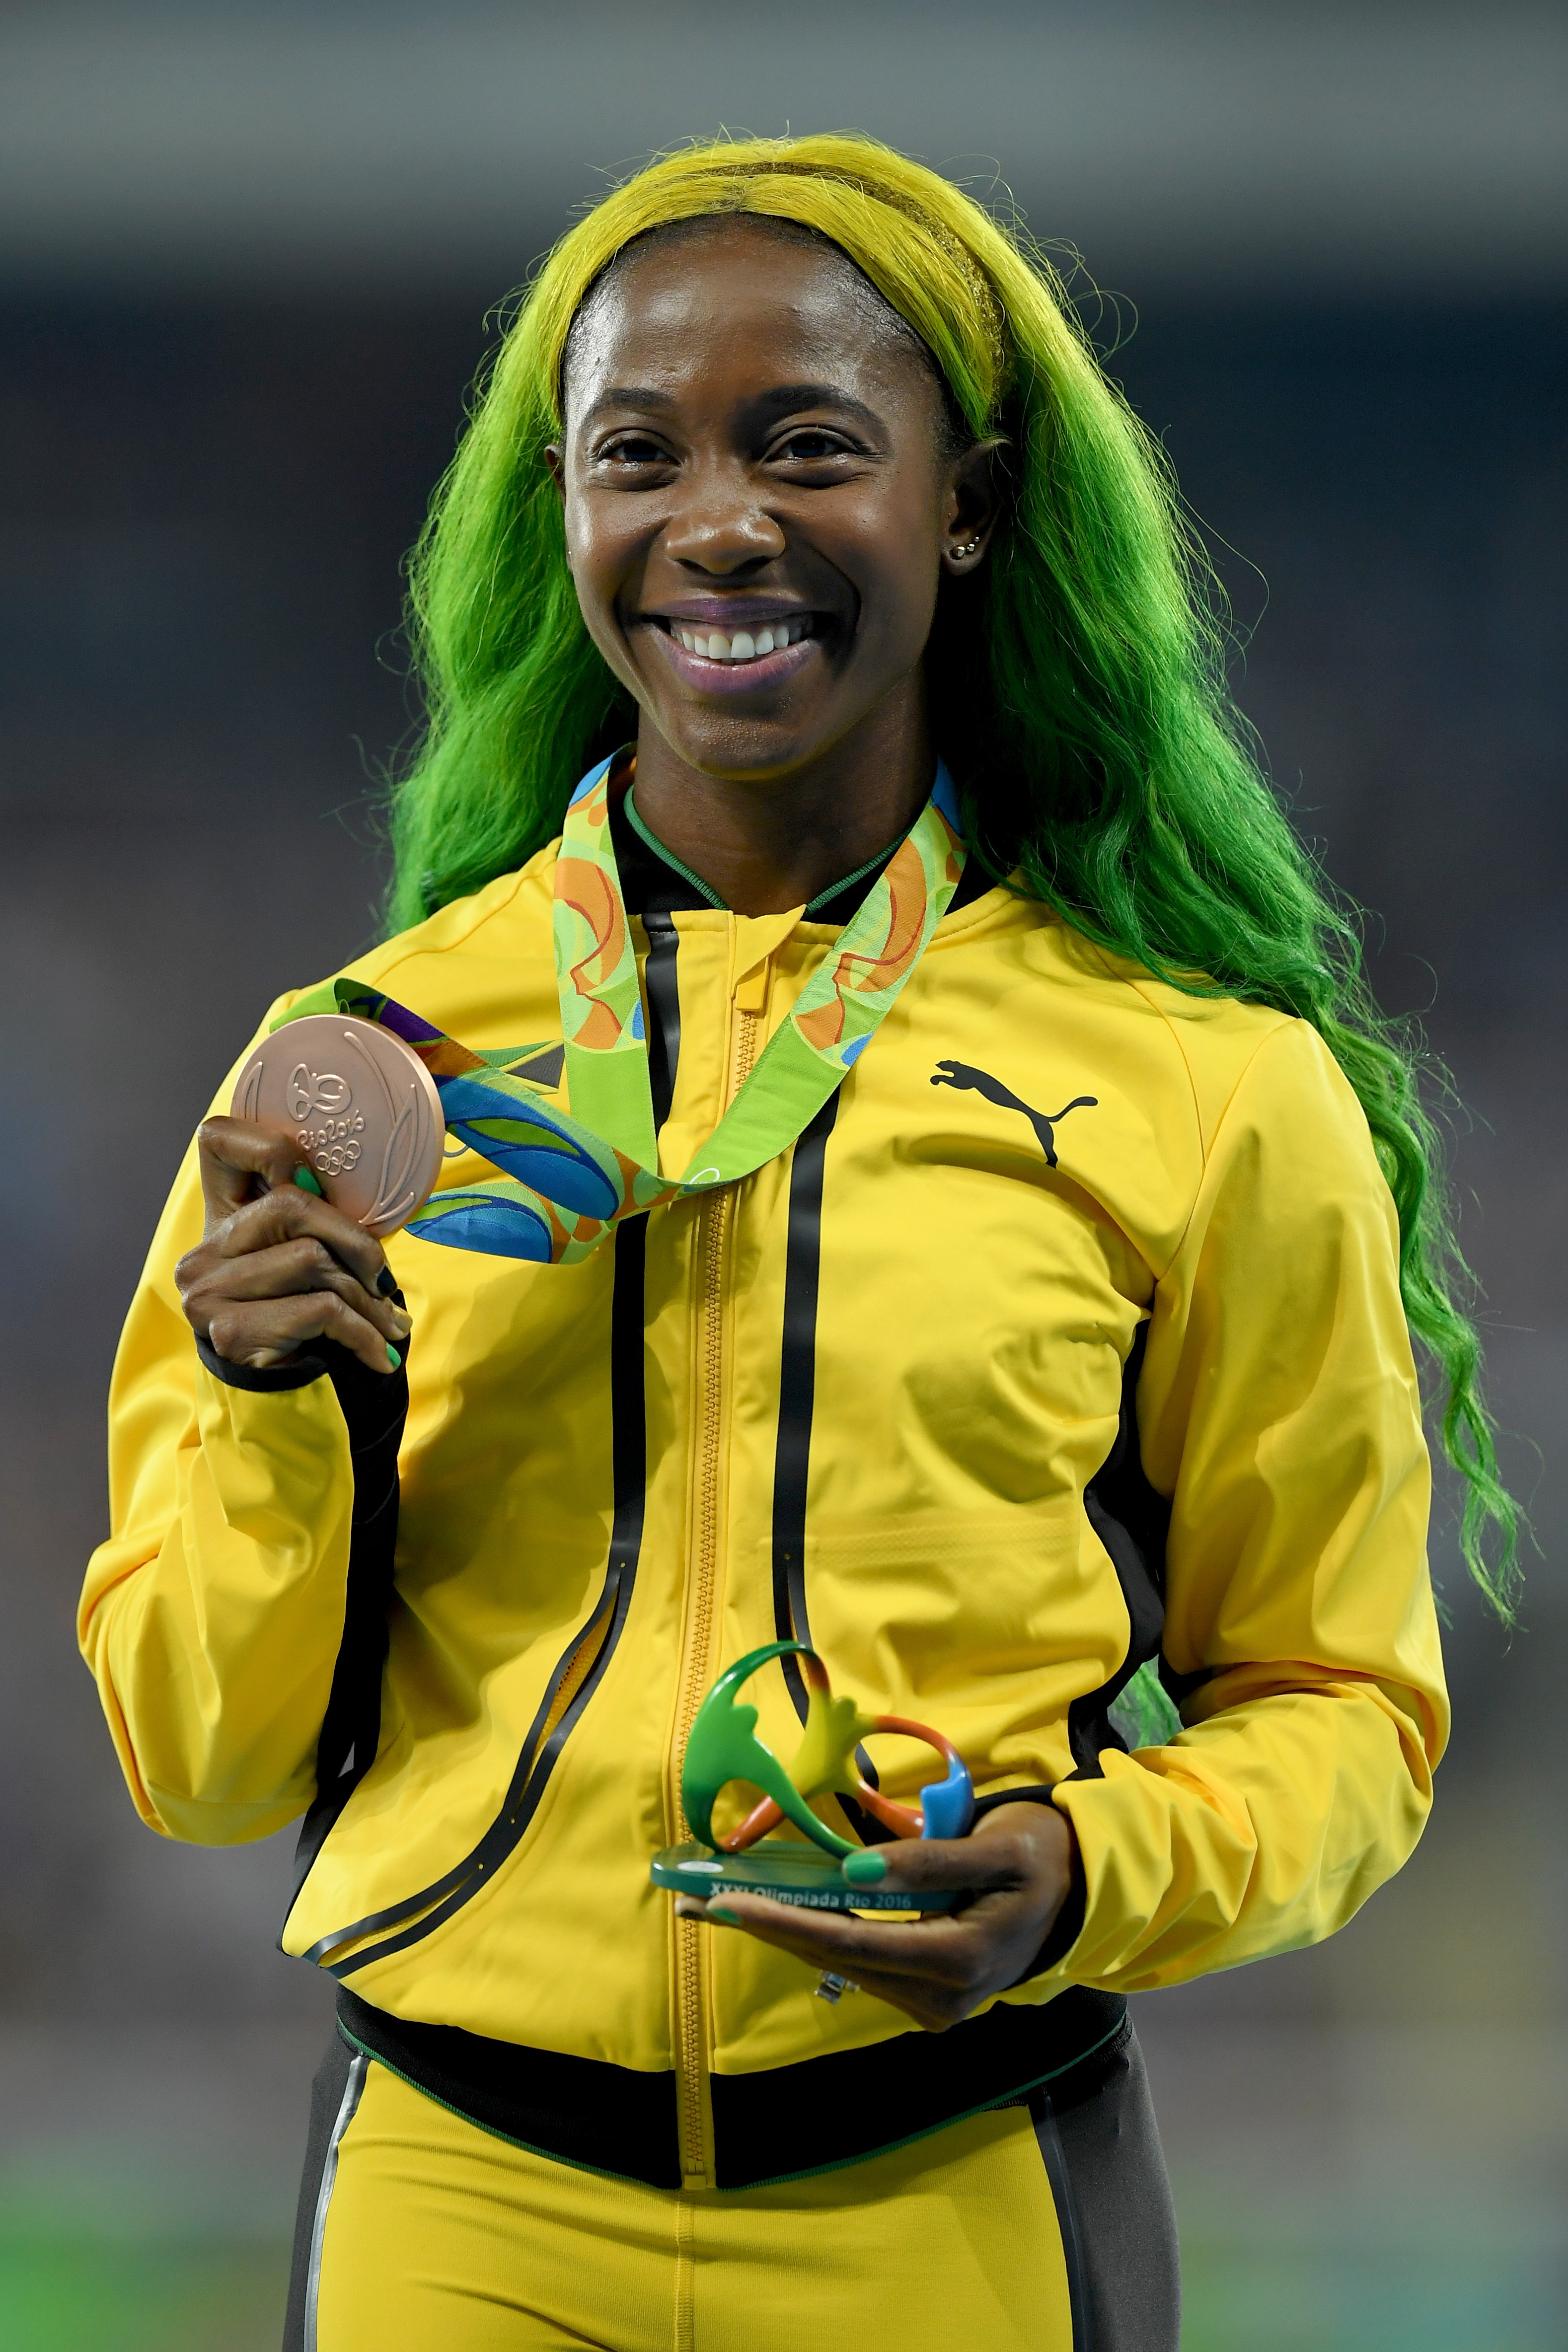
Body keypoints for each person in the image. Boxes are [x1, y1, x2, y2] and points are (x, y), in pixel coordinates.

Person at [78, 135, 1516, 2352]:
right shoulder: (359, 1060)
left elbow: (1340, 1707)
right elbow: (203, 1759)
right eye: (636, 452)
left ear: (961, 501)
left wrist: (1082, 1875)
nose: (717, 519)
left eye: (809, 445)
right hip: (462, 2198)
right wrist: (268, 1424)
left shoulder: (1203, 1085)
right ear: (557, 510)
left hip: (947, 2186)